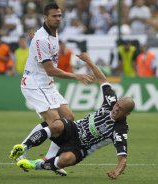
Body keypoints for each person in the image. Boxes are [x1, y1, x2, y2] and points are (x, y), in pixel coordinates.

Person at [10, 52, 135, 180]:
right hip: (73, 129)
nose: (116, 109)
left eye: (121, 109)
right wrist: (89, 61)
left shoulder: (119, 130)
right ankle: (24, 147)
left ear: (127, 114)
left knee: (66, 159)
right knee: (57, 123)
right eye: (117, 105)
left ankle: (37, 164)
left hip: (81, 148)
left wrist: (117, 171)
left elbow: (123, 158)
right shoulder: (110, 100)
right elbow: (102, 79)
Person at [9, 3, 93, 176]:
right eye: (54, 16)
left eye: (59, 15)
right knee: (56, 123)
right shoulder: (42, 39)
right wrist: (76, 75)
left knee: (68, 118)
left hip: (46, 83)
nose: (58, 19)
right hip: (34, 83)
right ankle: (23, 148)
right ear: (45, 18)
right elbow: (51, 70)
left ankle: (49, 159)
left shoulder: (51, 33)